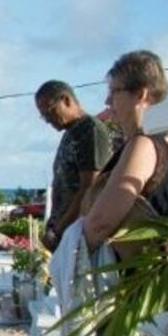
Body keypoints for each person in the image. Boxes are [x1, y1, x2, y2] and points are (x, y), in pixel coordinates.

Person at [83, 50, 168, 250]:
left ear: (141, 94)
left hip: (135, 273)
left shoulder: (143, 145)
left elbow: (101, 222)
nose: (107, 101)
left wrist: (71, 255)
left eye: (115, 91)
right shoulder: (145, 142)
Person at [35, 81, 114, 250]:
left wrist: (58, 230)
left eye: (49, 112)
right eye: (43, 116)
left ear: (66, 100)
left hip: (79, 235)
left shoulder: (90, 130)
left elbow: (90, 187)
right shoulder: (71, 133)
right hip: (67, 235)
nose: (47, 120)